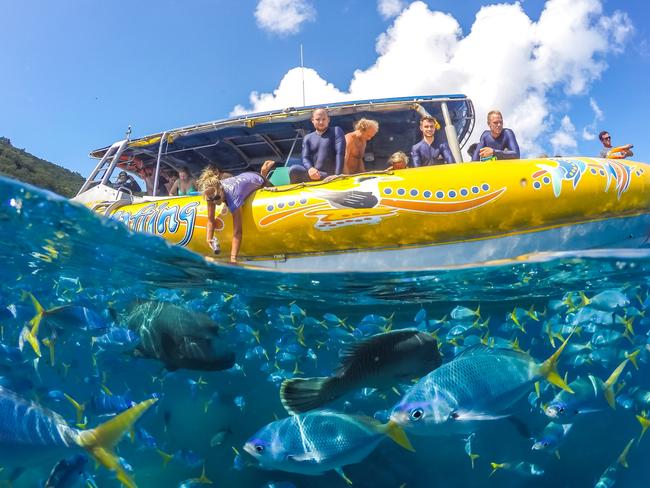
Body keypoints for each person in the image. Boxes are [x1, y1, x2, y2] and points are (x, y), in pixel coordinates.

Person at [198, 160, 275, 264]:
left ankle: (263, 173)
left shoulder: (234, 196)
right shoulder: (211, 193)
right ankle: (263, 172)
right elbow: (210, 220)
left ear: (221, 189)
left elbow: (238, 232)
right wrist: (209, 238)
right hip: (244, 177)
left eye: (216, 198)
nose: (214, 202)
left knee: (261, 183)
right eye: (211, 199)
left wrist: (233, 258)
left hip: (258, 180)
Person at [290, 108, 346, 183]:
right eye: (317, 119)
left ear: (328, 120)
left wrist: (337, 175)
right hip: (316, 175)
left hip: (330, 176)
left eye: (324, 119)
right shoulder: (308, 138)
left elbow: (340, 154)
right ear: (312, 120)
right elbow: (305, 158)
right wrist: (310, 169)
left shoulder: (336, 131)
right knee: (294, 170)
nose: (321, 122)